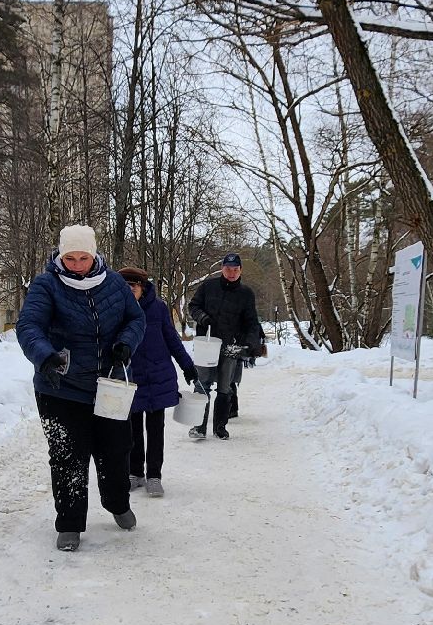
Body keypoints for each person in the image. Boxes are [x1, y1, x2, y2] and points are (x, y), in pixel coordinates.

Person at [17, 225, 147, 552]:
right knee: (68, 457)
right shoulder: (47, 285)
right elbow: (29, 325)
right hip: (60, 386)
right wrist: (44, 356)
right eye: (70, 257)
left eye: (83, 257)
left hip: (108, 384)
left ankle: (117, 503)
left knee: (116, 450)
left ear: (94, 255)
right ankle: (70, 524)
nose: (76, 264)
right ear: (61, 256)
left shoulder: (114, 283)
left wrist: (125, 344)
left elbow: (136, 320)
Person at [118, 266, 199, 497]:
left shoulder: (158, 308)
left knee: (155, 428)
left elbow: (172, 339)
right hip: (129, 378)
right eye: (124, 286)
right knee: (132, 429)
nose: (129, 290)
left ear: (142, 287)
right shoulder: (115, 309)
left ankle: (154, 475)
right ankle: (135, 473)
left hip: (156, 377)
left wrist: (188, 366)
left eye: (133, 286)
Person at [187, 252, 266, 441]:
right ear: (222, 269)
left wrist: (252, 343)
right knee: (202, 384)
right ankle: (198, 426)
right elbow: (193, 307)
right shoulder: (208, 287)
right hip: (207, 343)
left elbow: (251, 322)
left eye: (235, 270)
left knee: (225, 387)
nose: (231, 273)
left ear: (240, 271)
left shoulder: (246, 294)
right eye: (228, 269)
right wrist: (203, 318)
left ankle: (220, 427)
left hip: (231, 345)